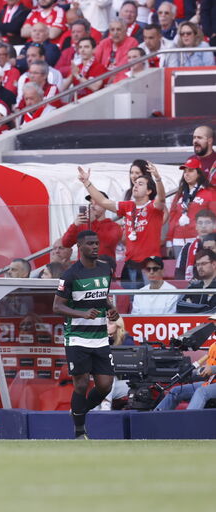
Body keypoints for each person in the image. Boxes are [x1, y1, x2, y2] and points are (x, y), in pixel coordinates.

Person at [53, 230, 118, 439]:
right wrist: (82, 314)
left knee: (105, 385)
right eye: (90, 243)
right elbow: (57, 306)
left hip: (100, 337)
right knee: (81, 384)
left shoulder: (105, 268)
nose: (95, 246)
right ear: (79, 247)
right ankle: (80, 431)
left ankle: (78, 411)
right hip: (77, 337)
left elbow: (103, 297)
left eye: (97, 243)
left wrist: (111, 309)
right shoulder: (70, 274)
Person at [79, 163, 166, 289]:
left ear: (149, 191)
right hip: (130, 264)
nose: (136, 185)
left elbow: (162, 198)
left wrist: (157, 178)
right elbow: (103, 201)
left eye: (140, 184)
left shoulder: (154, 207)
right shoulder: (128, 206)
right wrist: (86, 182)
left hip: (150, 265)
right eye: (135, 183)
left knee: (149, 297)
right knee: (128, 299)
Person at [154, 323, 216, 411]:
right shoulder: (213, 346)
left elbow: (211, 369)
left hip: (210, 385)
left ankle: (189, 418)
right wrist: (187, 375)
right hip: (210, 382)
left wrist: (213, 369)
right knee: (176, 391)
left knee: (202, 392)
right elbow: (207, 371)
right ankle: (155, 417)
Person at [168, 156, 216, 262]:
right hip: (178, 240)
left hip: (199, 239)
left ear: (199, 173)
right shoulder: (179, 194)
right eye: (185, 171)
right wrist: (169, 240)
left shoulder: (209, 192)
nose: (186, 174)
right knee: (180, 269)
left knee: (199, 269)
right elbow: (172, 218)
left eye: (190, 170)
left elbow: (214, 217)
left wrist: (211, 239)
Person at [60, 192, 122, 261]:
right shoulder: (82, 224)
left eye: (97, 203)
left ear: (106, 206)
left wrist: (93, 222)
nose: (92, 206)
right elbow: (66, 243)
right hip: (83, 267)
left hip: (104, 266)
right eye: (91, 203)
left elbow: (106, 242)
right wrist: (74, 225)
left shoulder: (114, 227)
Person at [177, 210, 216, 281]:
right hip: (192, 285)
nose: (203, 226)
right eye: (200, 223)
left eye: (207, 222)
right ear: (196, 226)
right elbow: (179, 272)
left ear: (214, 226)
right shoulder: (187, 248)